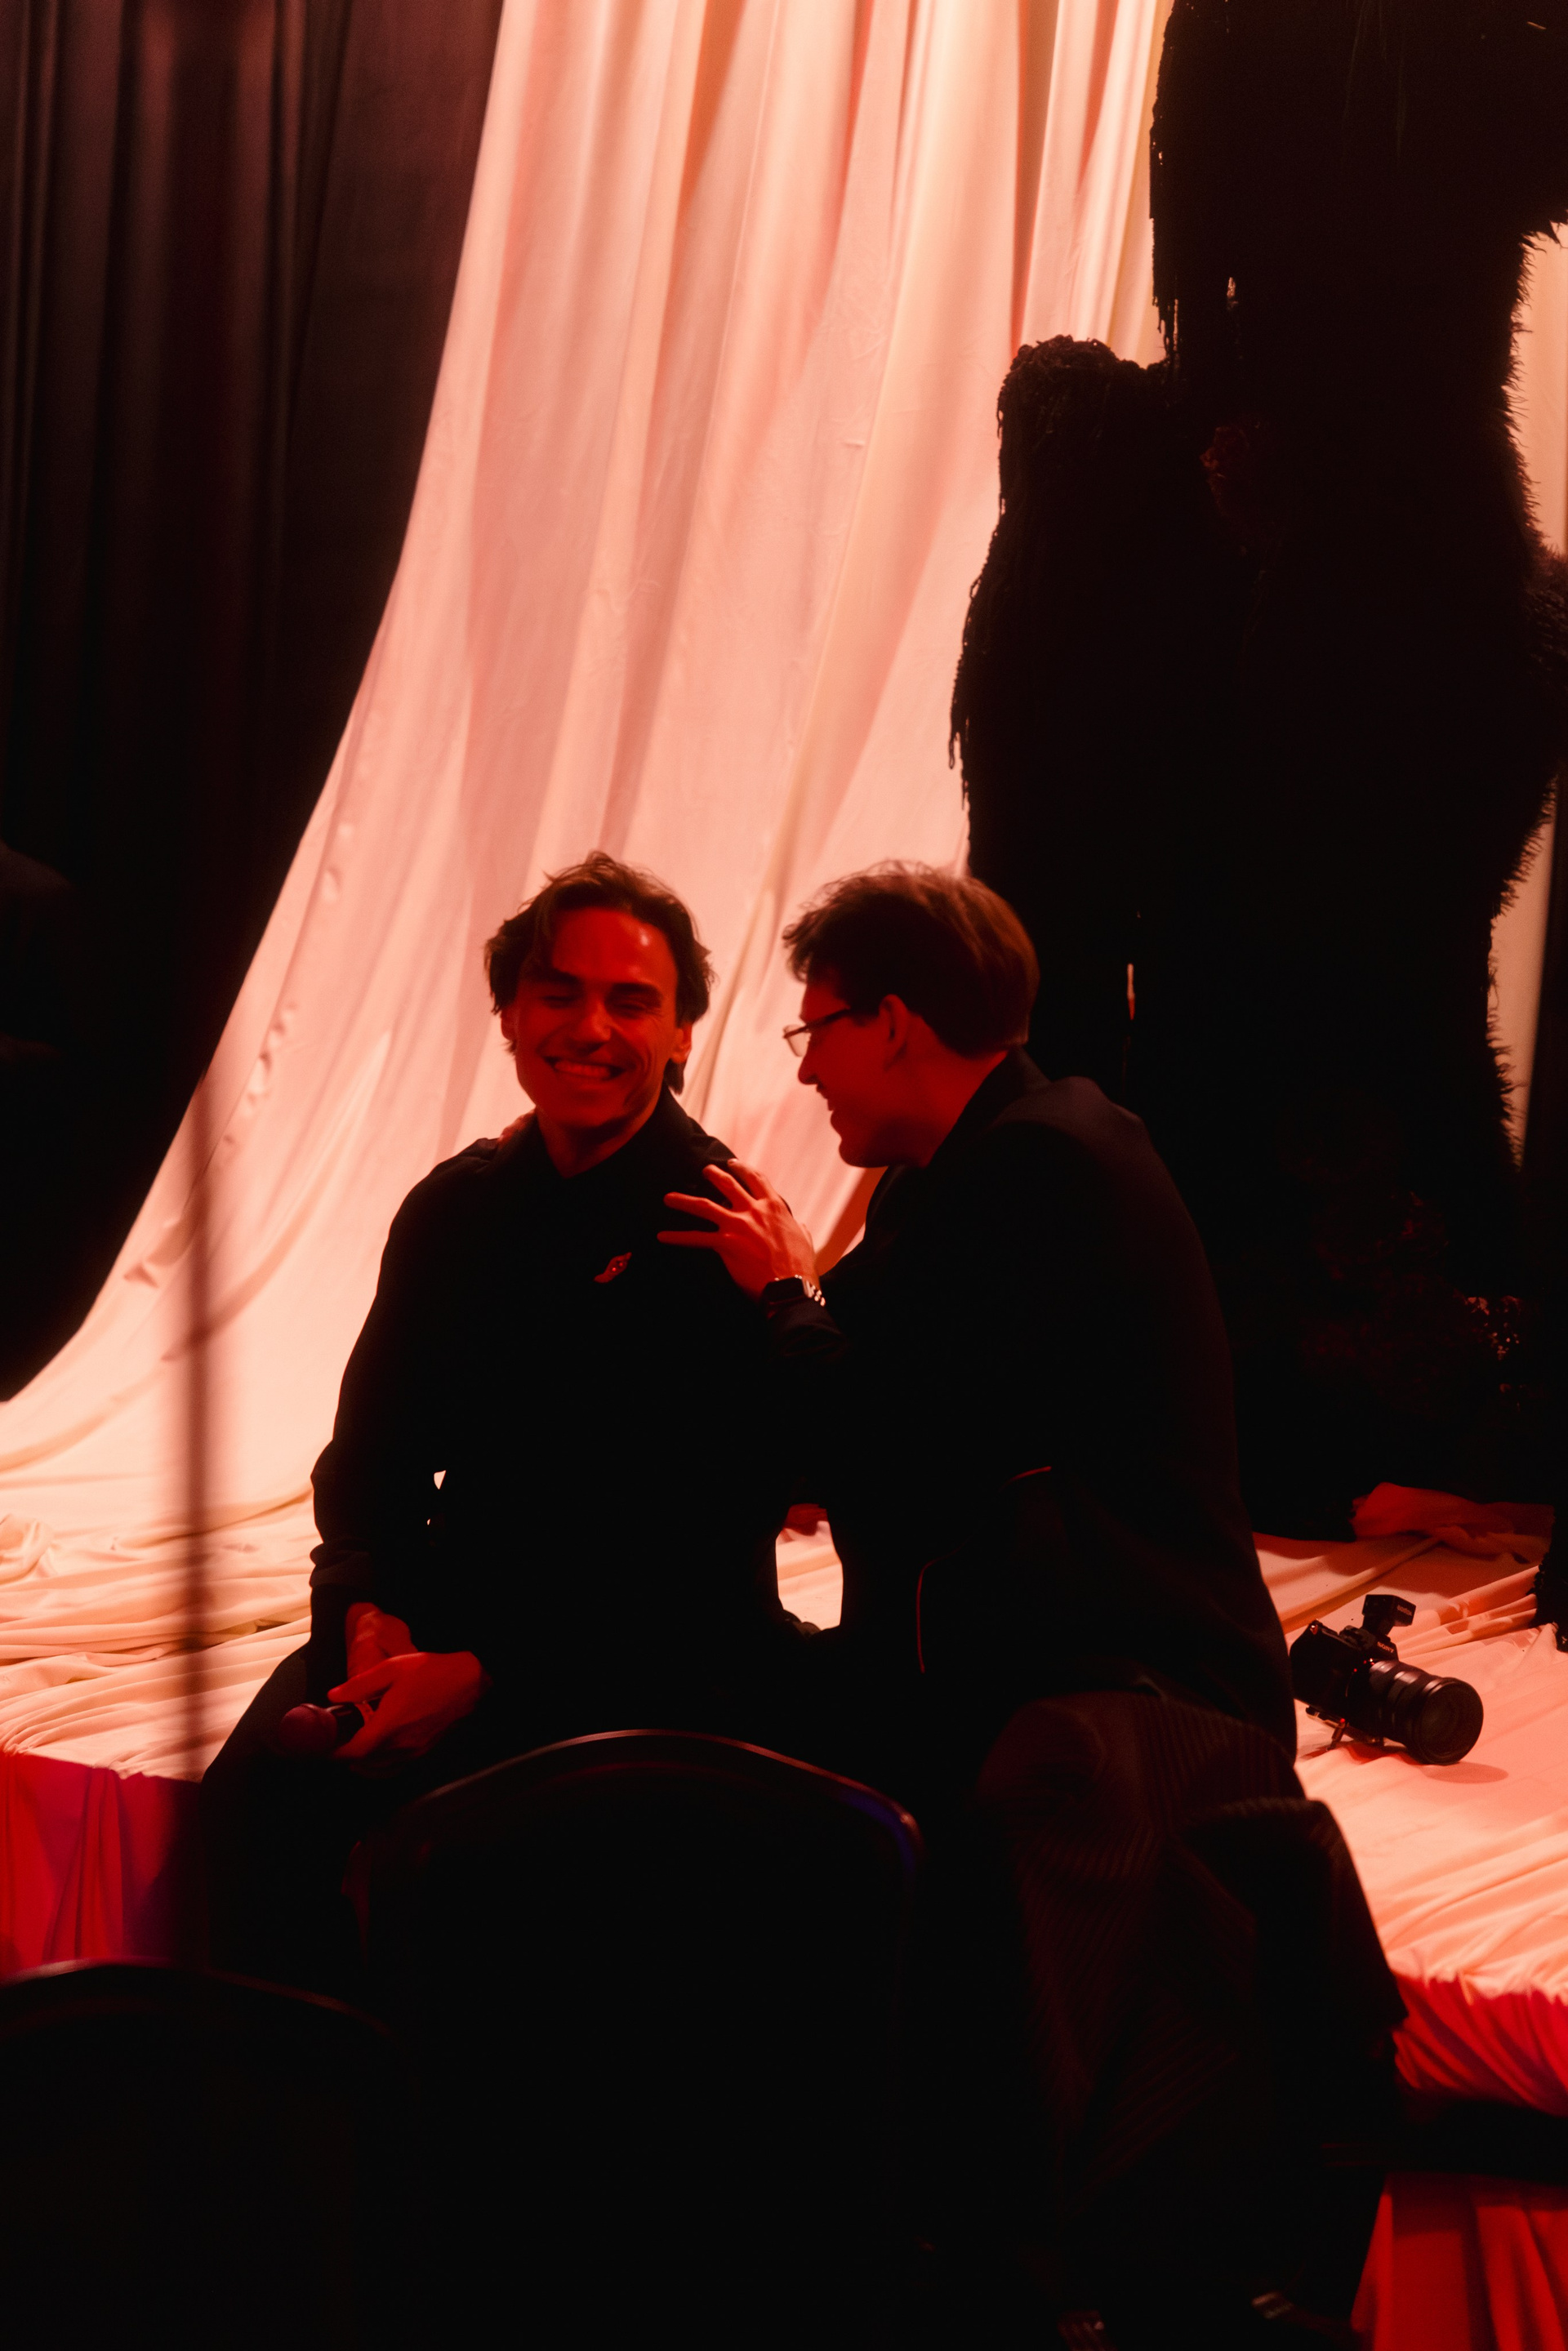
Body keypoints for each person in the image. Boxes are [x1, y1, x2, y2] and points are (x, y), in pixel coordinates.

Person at [660, 864, 1399, 2342]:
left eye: (813, 1030)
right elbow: (851, 1414)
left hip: (1119, 1704)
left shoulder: (1047, 1165)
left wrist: (787, 1298)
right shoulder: (971, 1170)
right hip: (1015, 1670)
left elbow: (890, 1445)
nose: (802, 1069)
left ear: (894, 1023)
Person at [202, 853, 793, 1997]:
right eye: (557, 992)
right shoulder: (453, 1206)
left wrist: (490, 1676)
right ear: (510, 1014)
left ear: (683, 1032)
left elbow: (706, 1551)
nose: (590, 1028)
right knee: (251, 1810)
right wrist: (368, 1614)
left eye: (630, 1001)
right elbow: (367, 1466)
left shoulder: (724, 1224)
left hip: (643, 1655)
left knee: (480, 1874)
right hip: (439, 1619)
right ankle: (302, 2106)